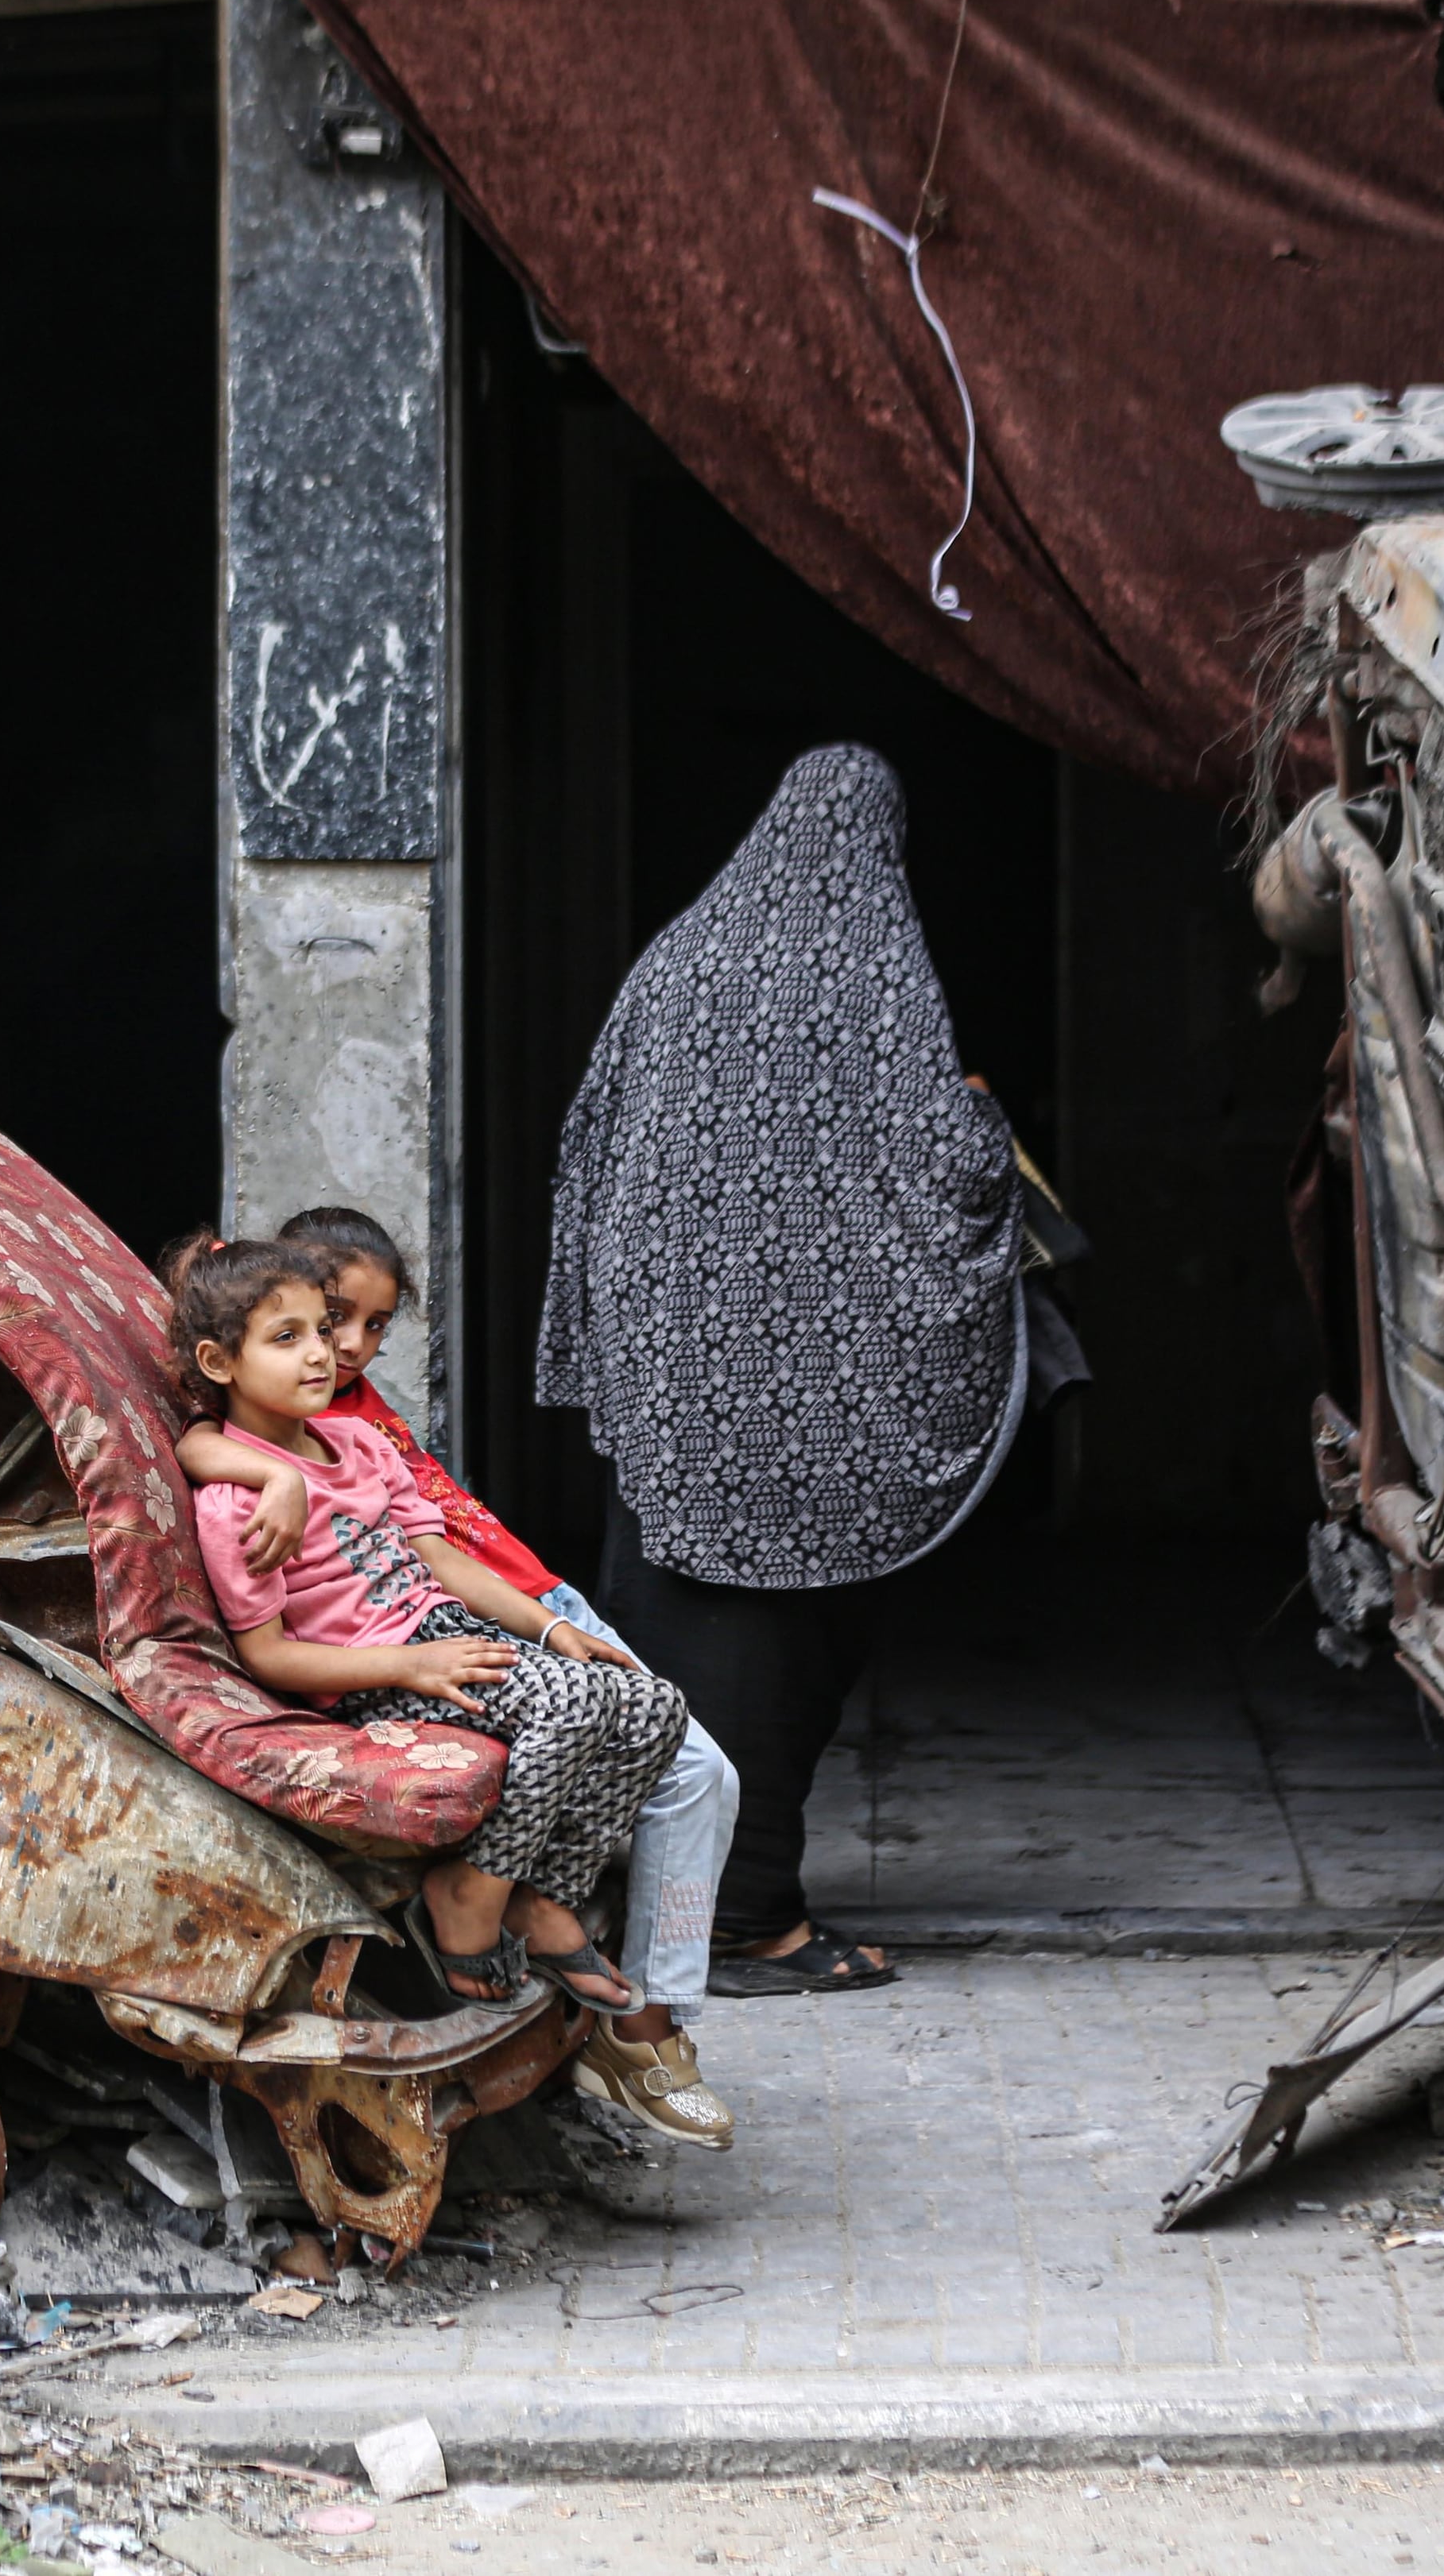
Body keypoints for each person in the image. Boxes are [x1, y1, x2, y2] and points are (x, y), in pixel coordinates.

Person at [539, 741, 1045, 1997]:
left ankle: (665, 1909)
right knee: (778, 1657)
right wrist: (986, 1115)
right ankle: (749, 1926)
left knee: (673, 1644)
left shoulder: (672, 966)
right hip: (825, 1407)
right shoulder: (877, 975)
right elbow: (953, 1164)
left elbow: (590, 1154)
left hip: (677, 1391)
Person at [175, 1207, 738, 2149]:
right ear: (220, 1362)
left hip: (444, 1625)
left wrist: (554, 1627)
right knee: (570, 1711)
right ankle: (473, 1895)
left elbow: (443, 1560)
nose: (330, 1352)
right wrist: (412, 1662)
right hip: (376, 1669)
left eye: (337, 1329)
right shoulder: (239, 1494)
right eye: (301, 1334)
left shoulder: (355, 1441)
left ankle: (546, 1895)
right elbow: (268, 1652)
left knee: (644, 1702)